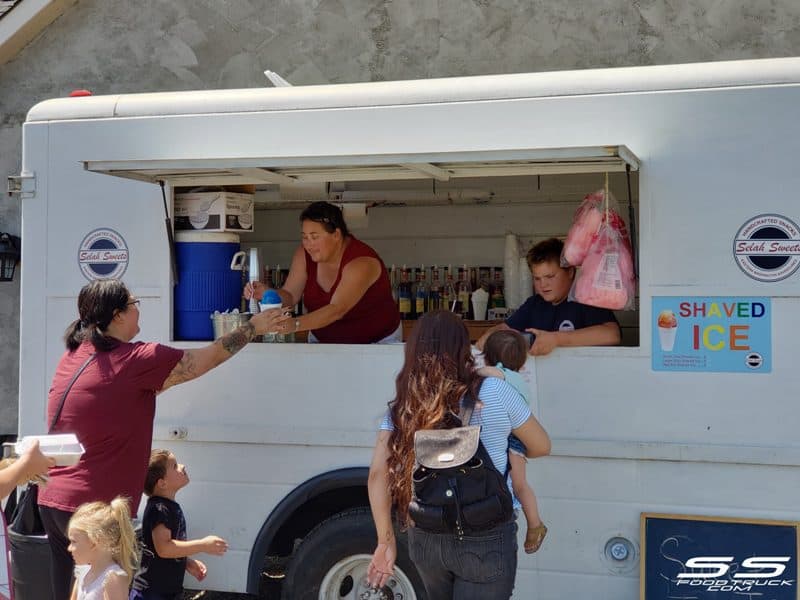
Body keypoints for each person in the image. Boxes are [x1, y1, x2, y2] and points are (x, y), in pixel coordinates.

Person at [39, 278, 277, 600]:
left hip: (53, 503)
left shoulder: (73, 357)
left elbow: (126, 395)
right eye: (134, 303)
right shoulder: (137, 359)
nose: (139, 310)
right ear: (118, 315)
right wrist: (252, 328)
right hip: (94, 511)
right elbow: (204, 360)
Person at [367, 310, 551, 599]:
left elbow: (378, 474)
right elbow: (542, 446)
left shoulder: (406, 403)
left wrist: (385, 541)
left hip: (427, 536)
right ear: (464, 348)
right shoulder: (496, 390)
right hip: (486, 534)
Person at [245, 201, 400, 343]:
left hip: (378, 344)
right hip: (322, 341)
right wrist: (267, 293)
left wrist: (295, 324)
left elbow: (336, 310)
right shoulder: (304, 255)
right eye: (305, 237)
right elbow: (291, 296)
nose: (308, 244)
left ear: (337, 235)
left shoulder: (361, 262)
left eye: (314, 237)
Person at [477, 237, 621, 356]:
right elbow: (506, 327)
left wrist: (557, 339)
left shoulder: (585, 299)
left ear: (570, 272)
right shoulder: (534, 304)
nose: (543, 285)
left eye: (550, 276)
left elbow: (612, 334)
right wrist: (490, 335)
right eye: (537, 278)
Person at [479, 329, 547, 554]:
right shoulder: (519, 378)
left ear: (489, 357)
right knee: (519, 484)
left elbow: (491, 374)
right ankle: (534, 524)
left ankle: (536, 525)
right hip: (515, 436)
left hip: (513, 438)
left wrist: (475, 370)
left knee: (519, 485)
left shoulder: (502, 376)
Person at [130, 449, 227, 599]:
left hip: (165, 590)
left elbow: (162, 550)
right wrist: (203, 545)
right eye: (174, 466)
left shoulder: (167, 506)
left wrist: (186, 562)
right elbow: (164, 548)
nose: (182, 466)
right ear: (162, 483)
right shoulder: (159, 509)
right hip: (151, 593)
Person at [67, 497, 138, 600]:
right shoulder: (82, 572)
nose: (69, 548)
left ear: (94, 542)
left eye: (74, 542)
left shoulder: (113, 578)